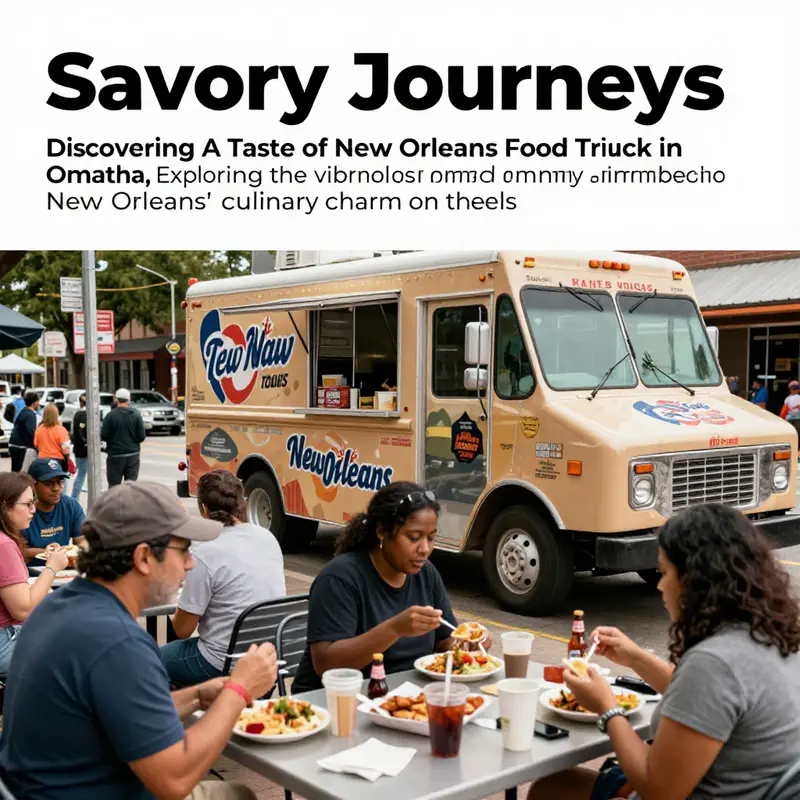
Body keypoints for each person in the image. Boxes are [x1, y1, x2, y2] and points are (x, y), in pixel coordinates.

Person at [0, 481, 275, 800]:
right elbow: (173, 781)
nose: (190, 563)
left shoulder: (60, 606)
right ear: (144, 557)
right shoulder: (118, 643)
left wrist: (198, 696)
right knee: (238, 795)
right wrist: (239, 691)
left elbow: (120, 713)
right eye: (184, 549)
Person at [528, 503, 800, 800]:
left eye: (665, 572)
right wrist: (634, 657)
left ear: (695, 581)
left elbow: (659, 790)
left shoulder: (715, 663)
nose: (660, 585)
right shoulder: (770, 634)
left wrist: (608, 708)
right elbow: (704, 703)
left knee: (549, 789)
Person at [292, 481, 458, 693]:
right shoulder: (340, 578)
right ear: (382, 532)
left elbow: (444, 643)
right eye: (414, 538)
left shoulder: (426, 574)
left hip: (405, 696)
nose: (425, 549)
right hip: (335, 701)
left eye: (431, 538)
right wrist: (394, 629)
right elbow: (327, 665)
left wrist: (467, 644)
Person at [160, 469, 286, 685]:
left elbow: (182, 630)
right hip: (266, 662)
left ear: (203, 509)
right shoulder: (268, 538)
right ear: (243, 503)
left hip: (222, 664)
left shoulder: (205, 552)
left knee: (149, 660)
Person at [0, 473, 68, 677]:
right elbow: (23, 609)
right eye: (28, 504)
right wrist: (52, 568)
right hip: (5, 642)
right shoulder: (4, 545)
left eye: (34, 503)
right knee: (82, 649)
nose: (33, 510)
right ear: (5, 506)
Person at [20, 458, 86, 567]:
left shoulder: (71, 505)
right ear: (33, 484)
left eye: (59, 482)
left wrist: (77, 552)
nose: (56, 488)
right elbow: (15, 552)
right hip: (29, 574)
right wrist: (46, 553)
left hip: (63, 572)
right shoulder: (21, 509)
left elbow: (82, 540)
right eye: (48, 483)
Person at [101, 387, 146, 487]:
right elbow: (141, 436)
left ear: (116, 399)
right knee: (131, 487)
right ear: (129, 400)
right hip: (133, 455)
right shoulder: (136, 415)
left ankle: (114, 503)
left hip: (115, 456)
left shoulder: (110, 415)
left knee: (114, 487)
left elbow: (103, 435)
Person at [33, 402, 71, 471]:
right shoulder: (61, 429)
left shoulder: (39, 429)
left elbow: (36, 445)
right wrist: (67, 460)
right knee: (61, 480)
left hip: (42, 461)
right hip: (57, 462)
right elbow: (66, 449)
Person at [8, 391, 39, 473]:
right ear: (34, 403)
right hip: (21, 446)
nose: (38, 403)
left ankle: (12, 485)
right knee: (21, 473)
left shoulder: (23, 411)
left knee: (15, 472)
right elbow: (32, 431)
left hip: (14, 444)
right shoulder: (30, 415)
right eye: (37, 401)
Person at [70, 394, 89, 498]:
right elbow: (82, 430)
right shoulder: (84, 415)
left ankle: (75, 496)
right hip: (84, 449)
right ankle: (74, 497)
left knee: (81, 473)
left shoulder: (77, 414)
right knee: (81, 474)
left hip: (78, 449)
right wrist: (86, 442)